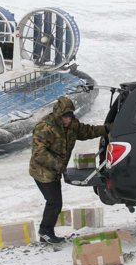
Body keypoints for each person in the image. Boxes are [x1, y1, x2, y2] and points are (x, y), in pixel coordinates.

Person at [29, 96, 107, 244]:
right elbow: (39, 153)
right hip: (42, 171)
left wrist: (106, 129)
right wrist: (58, 165)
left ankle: (46, 232)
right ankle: (45, 232)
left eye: (70, 116)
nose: (68, 120)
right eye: (65, 116)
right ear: (59, 115)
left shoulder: (72, 125)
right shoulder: (45, 128)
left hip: (56, 171)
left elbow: (87, 131)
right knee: (54, 202)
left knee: (55, 202)